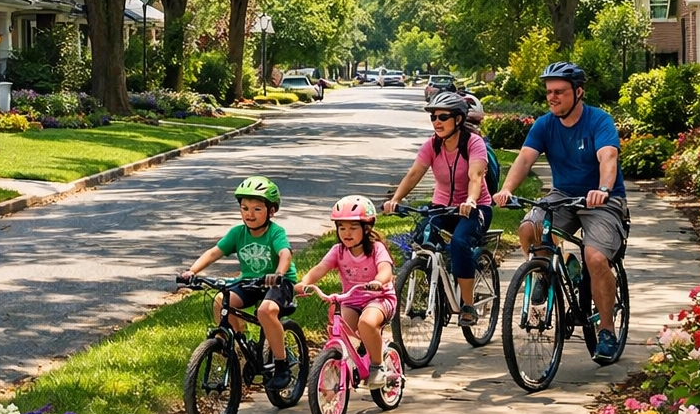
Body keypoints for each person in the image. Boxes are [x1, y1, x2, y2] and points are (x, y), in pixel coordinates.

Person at [492, 61, 629, 364]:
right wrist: (507, 189)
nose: (552, 97)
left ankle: (606, 331)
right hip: (563, 196)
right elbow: (525, 160)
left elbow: (608, 158)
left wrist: (603, 189)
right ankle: (545, 269)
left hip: (602, 200)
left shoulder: (599, 120)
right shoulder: (545, 124)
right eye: (549, 92)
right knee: (529, 229)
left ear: (578, 92)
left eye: (560, 92)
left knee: (595, 257)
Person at [382, 91, 493, 325]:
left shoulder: (474, 143)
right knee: (421, 238)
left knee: (460, 243)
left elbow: (476, 175)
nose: (437, 122)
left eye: (443, 117)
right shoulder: (432, 145)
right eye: (433, 117)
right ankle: (431, 283)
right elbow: (414, 173)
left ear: (459, 119)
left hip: (475, 208)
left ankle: (468, 305)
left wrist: (471, 200)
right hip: (442, 207)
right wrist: (397, 199)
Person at [180, 176, 299, 389]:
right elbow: (214, 252)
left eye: (257, 209)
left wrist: (279, 273)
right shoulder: (238, 233)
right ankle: (241, 348)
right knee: (220, 301)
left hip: (278, 283)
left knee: (265, 311)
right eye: (244, 208)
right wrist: (192, 271)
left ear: (271, 211)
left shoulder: (275, 232)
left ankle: (282, 365)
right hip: (249, 282)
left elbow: (285, 254)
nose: (249, 214)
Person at [295, 195, 396, 388]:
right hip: (351, 300)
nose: (346, 233)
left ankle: (377, 365)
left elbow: (386, 270)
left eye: (352, 228)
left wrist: (377, 281)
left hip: (379, 298)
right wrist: (305, 282)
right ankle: (342, 362)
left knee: (366, 323)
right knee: (339, 329)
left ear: (366, 228)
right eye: (341, 227)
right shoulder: (338, 250)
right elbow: (320, 268)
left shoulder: (376, 249)